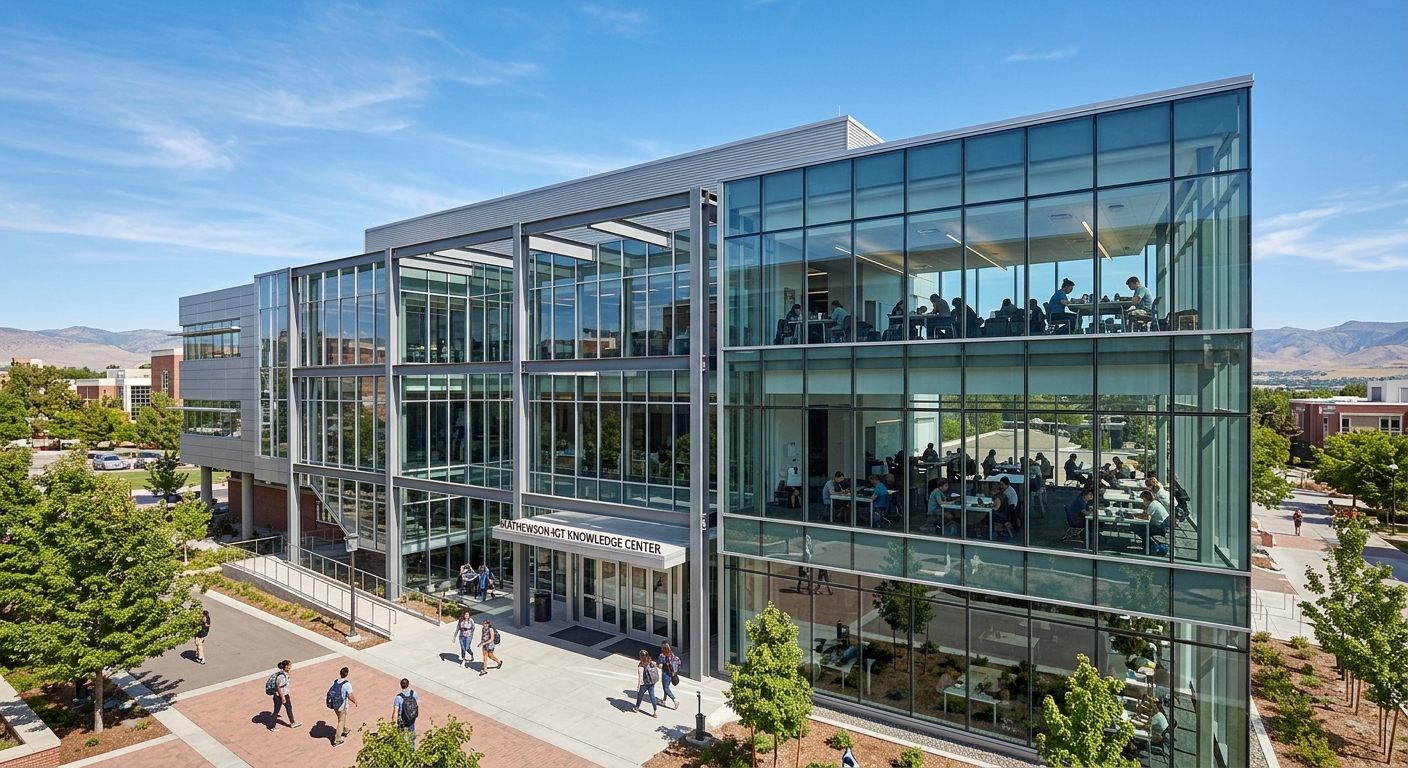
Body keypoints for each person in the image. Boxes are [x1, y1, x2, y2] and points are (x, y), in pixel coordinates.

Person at [328, 666, 358, 747]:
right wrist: (355, 701)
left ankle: (345, 730)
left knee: (341, 719)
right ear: (347, 674)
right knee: (341, 722)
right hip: (342, 706)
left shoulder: (335, 682)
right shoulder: (347, 684)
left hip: (334, 705)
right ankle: (337, 740)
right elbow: (350, 695)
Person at [1132, 490, 1170, 554]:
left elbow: (1147, 518)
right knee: (1139, 528)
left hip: (1161, 527)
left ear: (1146, 499)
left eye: (1143, 501)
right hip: (1164, 524)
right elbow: (1145, 514)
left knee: (1138, 529)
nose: (1143, 503)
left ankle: (1153, 544)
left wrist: (1135, 516)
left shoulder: (1152, 505)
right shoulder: (1154, 502)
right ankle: (1147, 543)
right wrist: (1136, 515)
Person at [269, 659, 300, 731]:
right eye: (288, 666)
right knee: (276, 711)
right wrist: (282, 697)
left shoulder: (285, 674)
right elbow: (279, 687)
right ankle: (272, 726)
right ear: (284, 667)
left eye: (290, 665)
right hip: (279, 696)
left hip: (285, 694)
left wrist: (287, 693)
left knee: (289, 707)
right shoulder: (281, 676)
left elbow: (285, 686)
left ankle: (292, 722)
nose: (289, 667)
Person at [393, 678, 420, 748]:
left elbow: (396, 711)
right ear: (408, 684)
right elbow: (417, 705)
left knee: (400, 735)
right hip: (411, 717)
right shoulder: (414, 694)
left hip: (402, 718)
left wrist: (393, 721)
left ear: (400, 685)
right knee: (411, 734)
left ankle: (401, 748)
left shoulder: (398, 697)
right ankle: (412, 748)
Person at [633, 650, 660, 717]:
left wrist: (638, 685)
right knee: (652, 696)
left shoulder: (641, 665)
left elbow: (640, 676)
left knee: (640, 695)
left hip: (645, 683)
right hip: (652, 682)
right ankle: (655, 711)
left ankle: (637, 708)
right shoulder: (650, 661)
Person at [657, 641, 681, 710]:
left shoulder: (662, 656)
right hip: (672, 674)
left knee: (666, 688)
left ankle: (675, 700)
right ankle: (664, 701)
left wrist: (657, 665)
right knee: (666, 687)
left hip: (665, 674)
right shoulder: (672, 654)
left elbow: (660, 665)